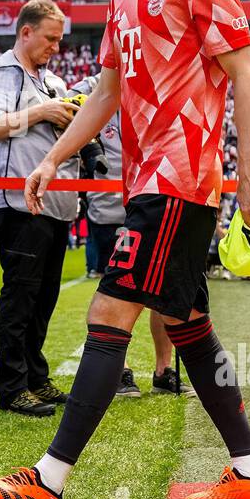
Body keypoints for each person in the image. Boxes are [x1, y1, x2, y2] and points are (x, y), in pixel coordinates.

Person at [0, 0, 250, 499]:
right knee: (189, 326)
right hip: (148, 180)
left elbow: (245, 75)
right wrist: (54, 155)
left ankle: (47, 481)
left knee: (109, 315)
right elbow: (106, 92)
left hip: (179, 178)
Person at [0, 0, 80, 417]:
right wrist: (42, 111)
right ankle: (13, 385)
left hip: (54, 202)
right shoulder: (4, 73)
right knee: (21, 295)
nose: (56, 46)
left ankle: (35, 377)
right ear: (25, 32)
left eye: (59, 39)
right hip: (18, 202)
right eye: (50, 38)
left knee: (44, 297)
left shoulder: (50, 79)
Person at [72, 71, 186, 397]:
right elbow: (68, 102)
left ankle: (164, 371)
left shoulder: (158, 81)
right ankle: (118, 371)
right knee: (116, 289)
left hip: (153, 200)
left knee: (161, 288)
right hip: (109, 206)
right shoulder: (94, 84)